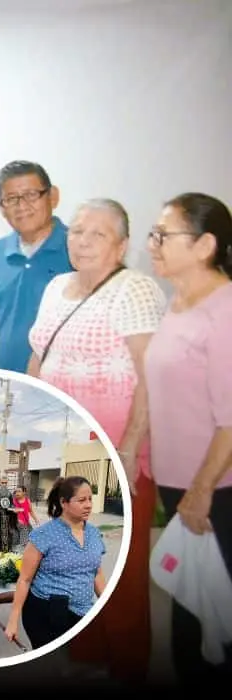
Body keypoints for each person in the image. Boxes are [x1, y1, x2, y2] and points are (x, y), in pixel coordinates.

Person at [26, 198, 165, 681]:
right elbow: (38, 361)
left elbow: (152, 376)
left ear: (122, 245)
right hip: (60, 453)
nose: (81, 241)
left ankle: (129, 667)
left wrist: (129, 447)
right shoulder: (55, 287)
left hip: (112, 453)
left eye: (97, 234)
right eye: (77, 231)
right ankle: (86, 654)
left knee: (119, 571)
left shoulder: (136, 289)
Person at [143, 192, 232, 685]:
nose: (152, 244)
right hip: (182, 484)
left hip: (216, 490)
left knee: (215, 614)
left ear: (205, 246)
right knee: (191, 608)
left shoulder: (226, 310)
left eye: (163, 235)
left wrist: (200, 493)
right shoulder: (179, 302)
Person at [0, 160, 73, 372]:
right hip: (6, 384)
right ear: (2, 208)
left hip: (60, 386)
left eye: (31, 195)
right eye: (11, 199)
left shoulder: (77, 247)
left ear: (53, 196)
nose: (21, 206)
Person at [5, 476, 106, 649]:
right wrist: (13, 620)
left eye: (90, 499)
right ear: (64, 503)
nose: (88, 505)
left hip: (84, 612)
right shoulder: (44, 535)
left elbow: (96, 572)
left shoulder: (94, 533)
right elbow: (25, 579)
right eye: (81, 500)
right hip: (47, 614)